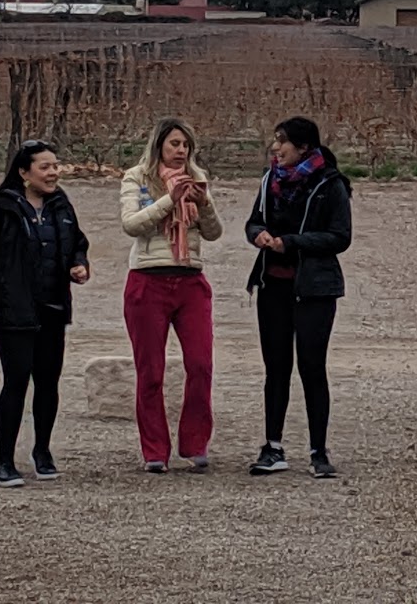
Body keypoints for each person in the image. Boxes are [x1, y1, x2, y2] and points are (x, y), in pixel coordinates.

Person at [0, 139, 90, 488]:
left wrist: (78, 265)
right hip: (14, 309)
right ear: (23, 172)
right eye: (45, 167)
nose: (53, 173)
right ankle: (5, 460)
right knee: (16, 382)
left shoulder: (61, 205)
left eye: (55, 166)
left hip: (53, 306)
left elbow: (78, 242)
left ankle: (43, 451)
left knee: (48, 383)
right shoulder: (0, 208)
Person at [244, 115, 352, 479]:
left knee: (311, 367)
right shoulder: (269, 179)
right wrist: (259, 235)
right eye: (275, 141)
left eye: (282, 141)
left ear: (303, 147)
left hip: (315, 288)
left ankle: (318, 451)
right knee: (276, 369)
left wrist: (291, 243)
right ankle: (272, 447)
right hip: (272, 284)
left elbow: (340, 237)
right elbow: (253, 221)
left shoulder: (330, 184)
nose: (276, 148)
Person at [119, 117, 221, 473]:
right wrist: (168, 201)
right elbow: (131, 224)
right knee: (151, 371)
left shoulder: (198, 177)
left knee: (201, 364)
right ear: (159, 145)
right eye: (175, 144)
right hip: (148, 280)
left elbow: (213, 233)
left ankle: (195, 443)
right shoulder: (137, 177)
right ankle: (155, 451)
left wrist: (204, 202)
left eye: (186, 145)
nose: (181, 151)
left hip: (190, 279)